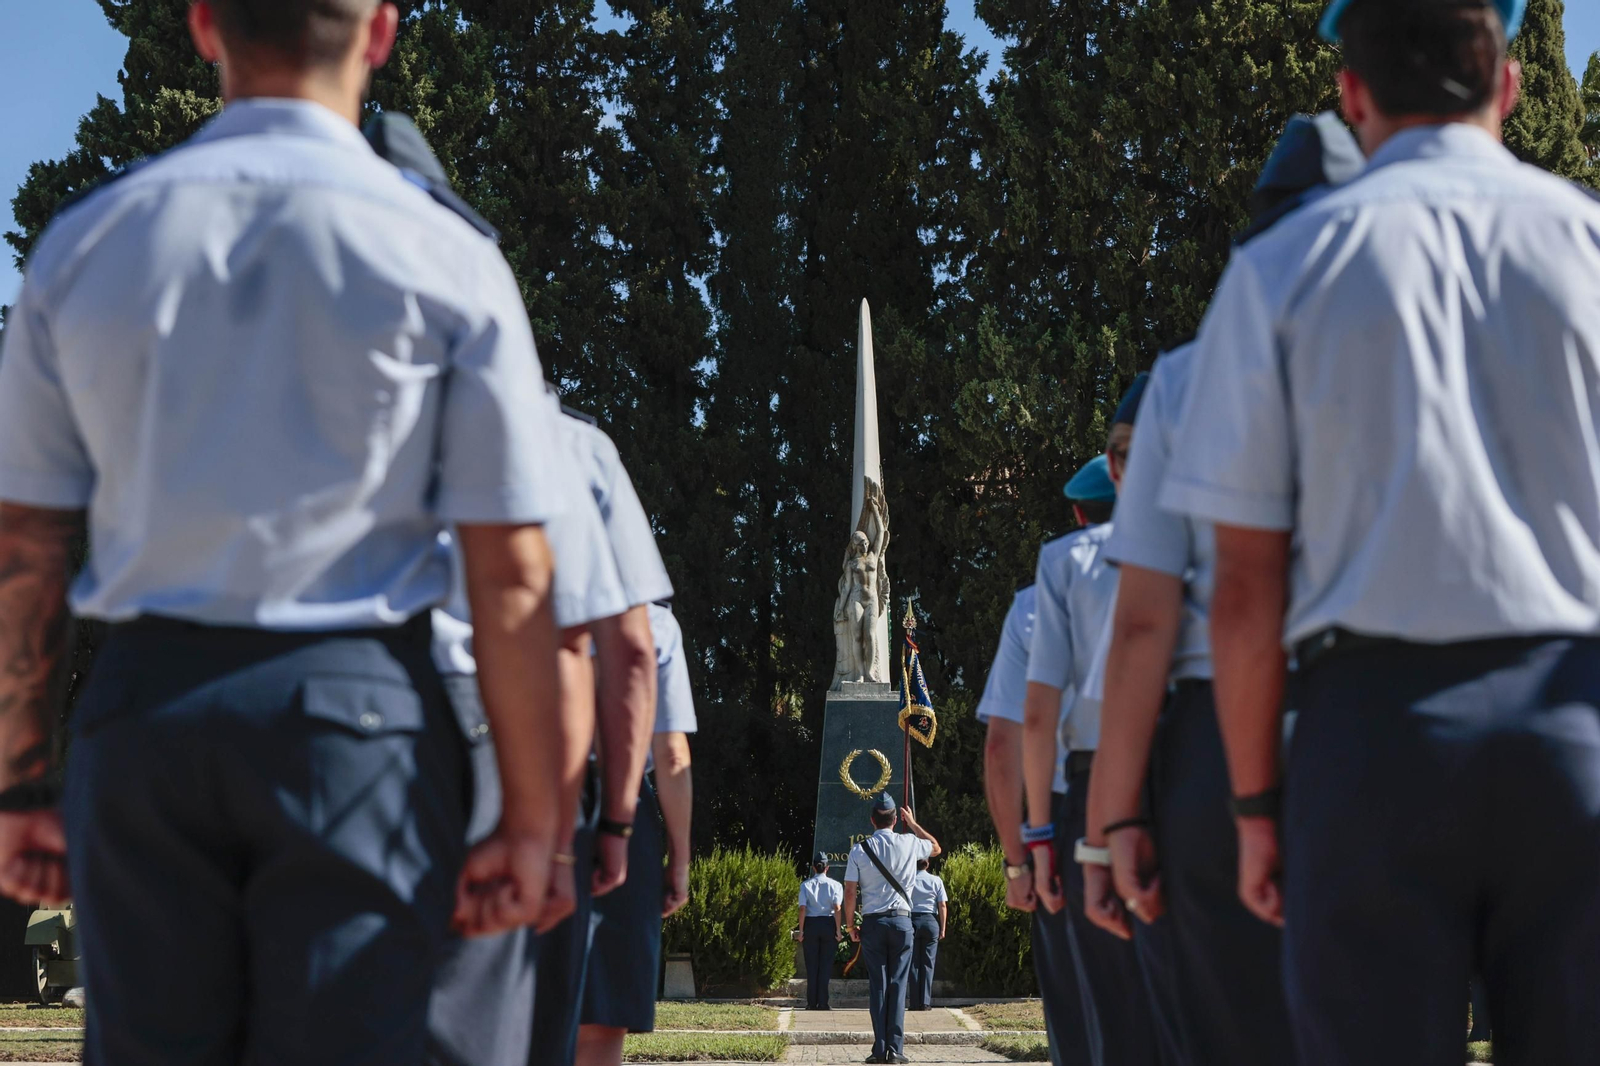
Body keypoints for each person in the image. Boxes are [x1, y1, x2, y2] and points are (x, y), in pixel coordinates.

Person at [0, 2, 578, 1062]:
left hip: (145, 715)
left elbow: (24, 550)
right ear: (382, 35)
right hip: (356, 720)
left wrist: (20, 782)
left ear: (204, 24)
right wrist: (531, 821)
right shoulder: (443, 255)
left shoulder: (87, 242)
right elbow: (510, 574)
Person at [1161, 1, 1600, 1062]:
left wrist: (1256, 802)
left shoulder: (1276, 271)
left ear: (1349, 98)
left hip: (1373, 738)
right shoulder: (1588, 242)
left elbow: (1244, 584)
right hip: (1578, 718)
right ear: (1509, 85)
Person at [1082, 113, 1364, 1066]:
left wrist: (1111, 820)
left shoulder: (1188, 375)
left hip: (1210, 738)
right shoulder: (1423, 332)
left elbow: (1145, 621)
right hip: (1386, 714)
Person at [1022, 446, 1164, 1066]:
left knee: (1107, 1017)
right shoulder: (1187, 544)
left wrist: (1037, 835)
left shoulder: (1066, 564)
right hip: (1185, 775)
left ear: (1079, 515)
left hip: (1089, 787)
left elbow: (1033, 717)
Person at [577, 601, 698, 1066]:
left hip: (530, 785)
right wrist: (679, 861)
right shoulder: (655, 621)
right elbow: (671, 756)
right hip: (625, 802)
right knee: (603, 1021)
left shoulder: (528, 592)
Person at [977, 585, 1093, 1065]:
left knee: (1081, 1017)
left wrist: (1019, 861)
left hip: (1074, 814)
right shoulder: (1194, 554)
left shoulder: (1045, 596)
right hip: (1186, 795)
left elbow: (1004, 744)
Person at [843, 793, 941, 1066]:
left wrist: (851, 925)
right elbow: (935, 848)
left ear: (872, 820)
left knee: (879, 986)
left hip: (873, 923)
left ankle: (879, 1048)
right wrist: (914, 823)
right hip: (902, 922)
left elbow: (850, 891)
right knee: (898, 985)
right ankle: (895, 1051)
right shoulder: (909, 842)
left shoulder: (859, 850)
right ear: (896, 820)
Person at [797, 852, 845, 1011]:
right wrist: (838, 930)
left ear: (813, 868)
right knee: (825, 965)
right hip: (828, 923)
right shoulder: (836, 885)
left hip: (811, 924)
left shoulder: (805, 885)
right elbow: (837, 908)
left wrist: (801, 930)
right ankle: (823, 1002)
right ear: (827, 868)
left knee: (812, 965)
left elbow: (802, 908)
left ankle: (811, 1003)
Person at [908, 858, 947, 1012]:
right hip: (930, 920)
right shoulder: (936, 880)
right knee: (928, 963)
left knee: (913, 962)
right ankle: (925, 1002)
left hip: (911, 919)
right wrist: (943, 927)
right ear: (927, 864)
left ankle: (913, 1002)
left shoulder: (908, 879)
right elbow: (942, 904)